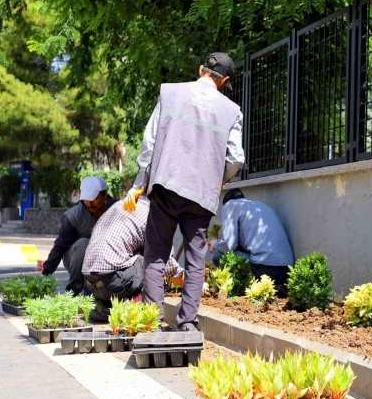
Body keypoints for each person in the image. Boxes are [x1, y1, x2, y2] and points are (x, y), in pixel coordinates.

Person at [124, 52, 245, 331]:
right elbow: (236, 158)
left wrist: (139, 184)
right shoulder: (231, 110)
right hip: (201, 195)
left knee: (155, 255)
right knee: (195, 259)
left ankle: (151, 321)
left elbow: (149, 143)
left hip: (166, 186)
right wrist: (219, 180)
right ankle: (187, 322)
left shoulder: (170, 93)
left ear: (201, 69)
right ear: (224, 80)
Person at [82, 195, 184, 321]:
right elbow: (167, 265)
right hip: (113, 282)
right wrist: (191, 285)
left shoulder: (120, 205)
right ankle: (135, 309)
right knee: (152, 263)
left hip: (90, 283)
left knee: (136, 259)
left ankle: (103, 309)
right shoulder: (153, 214)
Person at [211, 189, 294, 295]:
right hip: (286, 271)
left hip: (265, 269)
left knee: (219, 256)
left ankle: (239, 290)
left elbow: (229, 245)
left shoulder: (229, 206)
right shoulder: (259, 206)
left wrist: (216, 244)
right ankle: (275, 288)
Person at [42, 176, 115, 294]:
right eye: (86, 199)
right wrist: (46, 273)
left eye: (94, 199)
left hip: (107, 258)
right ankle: (75, 288)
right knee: (83, 243)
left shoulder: (117, 209)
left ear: (104, 195)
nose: (89, 203)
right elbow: (59, 247)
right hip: (77, 258)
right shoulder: (73, 216)